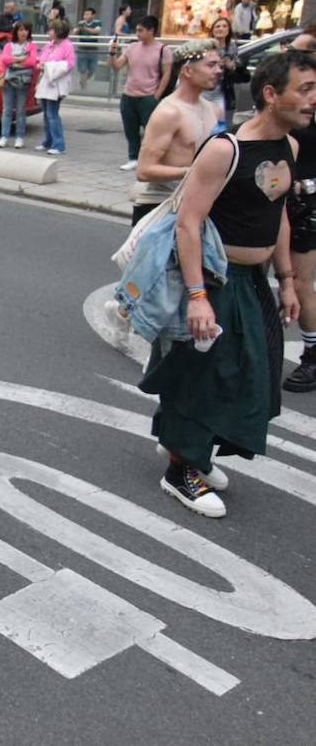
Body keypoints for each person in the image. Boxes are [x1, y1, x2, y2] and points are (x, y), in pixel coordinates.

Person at [139, 50, 314, 517]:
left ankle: (193, 448)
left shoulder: (290, 149)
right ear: (272, 95)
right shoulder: (225, 150)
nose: (313, 100)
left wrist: (287, 280)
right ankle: (181, 470)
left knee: (246, 374)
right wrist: (198, 297)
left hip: (254, 282)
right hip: (216, 280)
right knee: (206, 377)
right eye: (306, 89)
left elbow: (275, 215)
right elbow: (188, 224)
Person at [130, 39, 223, 224]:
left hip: (199, 205)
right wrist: (192, 171)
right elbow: (144, 170)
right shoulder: (169, 112)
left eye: (219, 65)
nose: (219, 71)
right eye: (211, 65)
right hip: (161, 206)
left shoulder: (214, 109)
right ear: (188, 71)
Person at [279, 27, 316, 391]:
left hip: (307, 205)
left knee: (300, 282)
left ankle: (311, 356)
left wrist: (305, 189)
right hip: (283, 200)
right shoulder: (291, 103)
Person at [110, 15, 172, 171]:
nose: (137, 33)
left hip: (148, 97)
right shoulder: (132, 47)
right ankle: (133, 158)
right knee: (130, 130)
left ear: (151, 31)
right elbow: (117, 66)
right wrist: (112, 54)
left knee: (152, 131)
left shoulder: (163, 50)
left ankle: (154, 159)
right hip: (129, 95)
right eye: (137, 30)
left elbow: (166, 74)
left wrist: (156, 95)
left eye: (141, 30)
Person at [34, 19, 76, 155]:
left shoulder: (67, 45)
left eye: (51, 29)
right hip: (46, 82)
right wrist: (41, 65)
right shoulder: (50, 45)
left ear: (58, 31)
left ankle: (59, 144)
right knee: (46, 114)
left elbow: (69, 64)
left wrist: (51, 67)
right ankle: (48, 141)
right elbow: (41, 58)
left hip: (56, 83)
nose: (48, 32)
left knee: (52, 114)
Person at [0, 22, 38, 149]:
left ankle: (19, 137)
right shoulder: (9, 45)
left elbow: (32, 61)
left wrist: (14, 60)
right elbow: (5, 59)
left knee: (21, 110)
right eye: (20, 30)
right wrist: (21, 58)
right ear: (16, 32)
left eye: (26, 30)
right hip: (8, 80)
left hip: (23, 82)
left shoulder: (31, 46)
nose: (23, 32)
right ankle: (4, 136)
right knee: (7, 109)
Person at [202, 17, 245, 131]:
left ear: (229, 30)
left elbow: (238, 68)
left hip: (224, 90)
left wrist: (231, 66)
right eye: (217, 26)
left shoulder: (232, 47)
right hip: (204, 90)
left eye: (224, 26)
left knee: (222, 124)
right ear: (212, 30)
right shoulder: (205, 46)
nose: (221, 29)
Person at [72, 7, 103, 90]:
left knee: (92, 70)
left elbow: (97, 31)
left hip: (93, 49)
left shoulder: (97, 22)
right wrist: (77, 30)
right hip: (82, 49)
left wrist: (85, 28)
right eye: (84, 14)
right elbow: (74, 33)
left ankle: (83, 81)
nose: (85, 16)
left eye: (88, 14)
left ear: (93, 15)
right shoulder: (81, 23)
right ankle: (83, 88)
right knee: (82, 69)